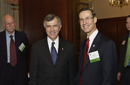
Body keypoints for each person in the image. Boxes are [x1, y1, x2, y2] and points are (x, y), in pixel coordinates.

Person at [74, 7, 118, 85]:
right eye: (81, 19)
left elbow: (109, 77)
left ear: (95, 20)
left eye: (87, 18)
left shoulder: (107, 44)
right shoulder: (83, 44)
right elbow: (81, 70)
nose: (84, 22)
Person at [30, 14, 76, 85]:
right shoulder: (36, 47)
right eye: (48, 26)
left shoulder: (69, 47)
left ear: (60, 27)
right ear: (45, 29)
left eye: (55, 26)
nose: (52, 29)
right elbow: (33, 75)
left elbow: (72, 74)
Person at [0, 14, 29, 85]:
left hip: (19, 71)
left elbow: (25, 52)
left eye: (12, 23)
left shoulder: (22, 36)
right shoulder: (0, 37)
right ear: (4, 25)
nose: (10, 25)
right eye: (8, 23)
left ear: (15, 23)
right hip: (5, 71)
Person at [117, 15, 130, 85]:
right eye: (127, 22)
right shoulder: (124, 38)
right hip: (124, 71)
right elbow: (121, 56)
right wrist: (119, 71)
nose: (128, 25)